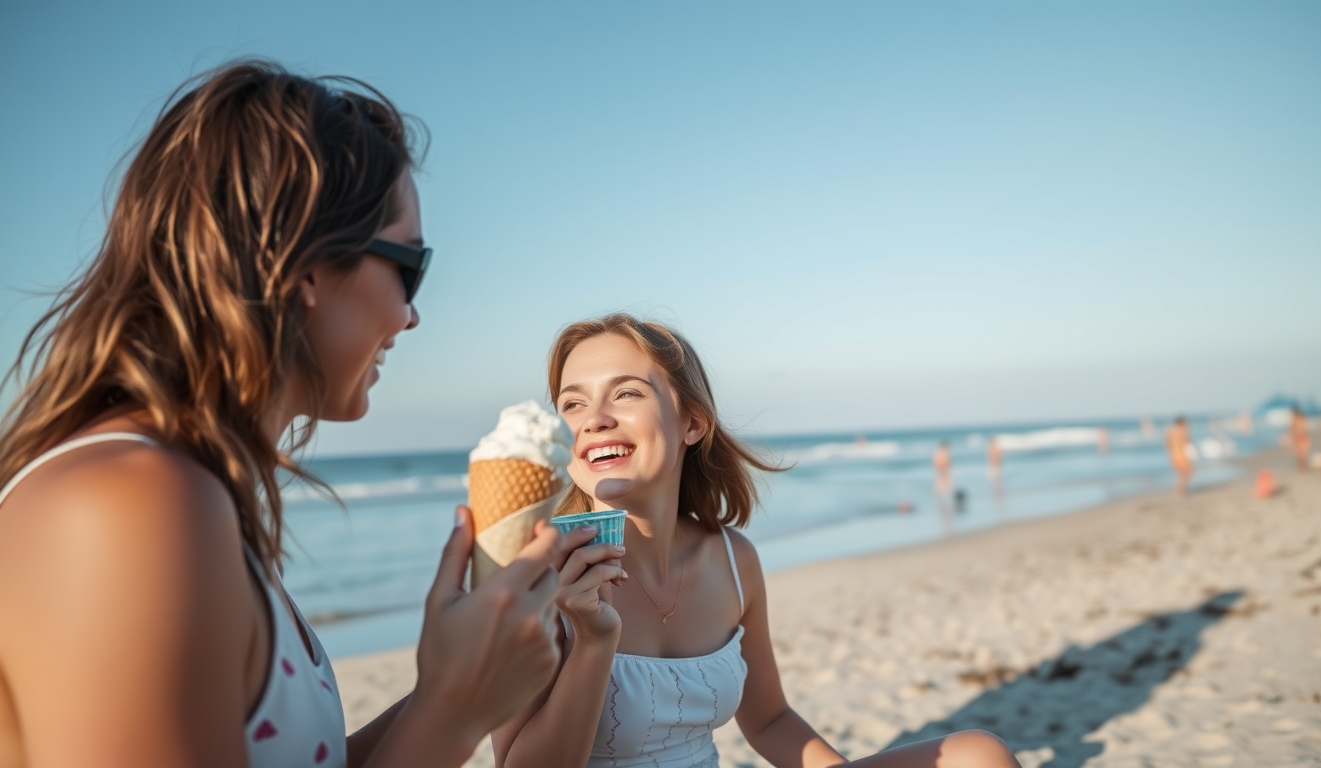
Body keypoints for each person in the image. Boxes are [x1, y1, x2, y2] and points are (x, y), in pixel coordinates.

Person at [0, 61, 572, 767]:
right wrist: (453, 715)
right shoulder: (129, 507)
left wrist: (457, 685)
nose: (412, 315)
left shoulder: (193, 498)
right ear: (299, 264)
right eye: (409, 268)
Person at [492, 314, 1019, 768]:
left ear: (692, 421)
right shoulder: (534, 573)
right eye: (573, 404)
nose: (595, 421)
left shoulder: (732, 559)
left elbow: (768, 719)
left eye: (626, 393)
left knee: (978, 753)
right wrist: (592, 641)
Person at [1165, 416, 1193, 496]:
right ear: (1182, 423)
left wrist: (1169, 456)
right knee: (1187, 473)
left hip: (1174, 455)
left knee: (1182, 474)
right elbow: (1187, 442)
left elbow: (1167, 444)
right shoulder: (1182, 431)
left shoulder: (1170, 431)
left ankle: (1179, 490)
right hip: (1182, 455)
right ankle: (1179, 490)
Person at [1289, 406, 1312, 470]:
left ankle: (1303, 466)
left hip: (1302, 438)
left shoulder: (1300, 419)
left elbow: (1305, 428)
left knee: (1302, 454)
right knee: (1299, 454)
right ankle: (1301, 466)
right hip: (1297, 438)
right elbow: (1291, 429)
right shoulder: (1294, 420)